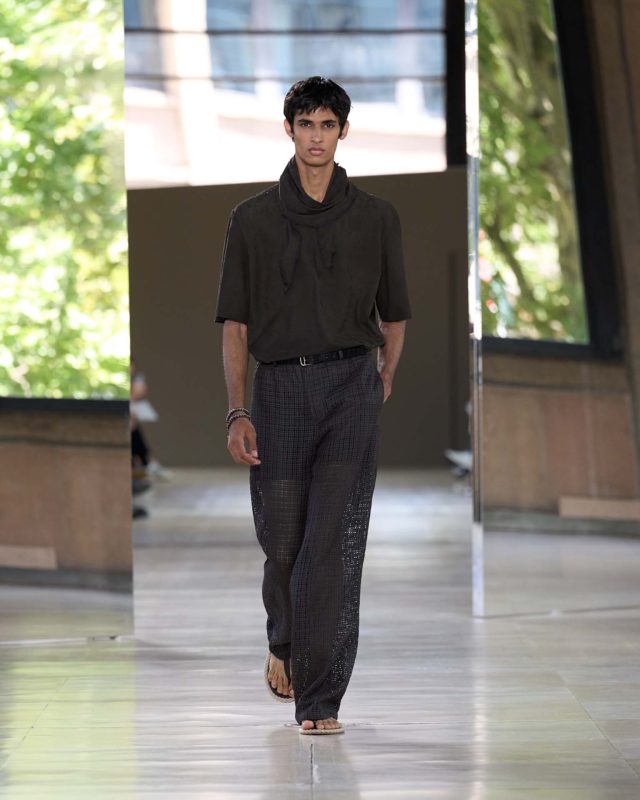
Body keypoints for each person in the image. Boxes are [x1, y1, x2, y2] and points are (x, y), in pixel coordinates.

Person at [214, 76, 411, 735]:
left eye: (328, 124)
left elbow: (396, 312)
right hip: (278, 391)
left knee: (333, 545)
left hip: (351, 388)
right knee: (283, 542)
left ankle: (320, 699)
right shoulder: (251, 219)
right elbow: (235, 324)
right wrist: (237, 411)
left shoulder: (377, 217)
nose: (317, 136)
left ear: (343, 131)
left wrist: (383, 377)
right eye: (306, 124)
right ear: (289, 129)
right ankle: (284, 638)